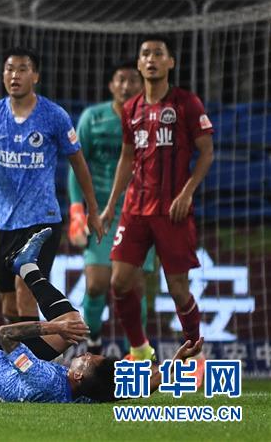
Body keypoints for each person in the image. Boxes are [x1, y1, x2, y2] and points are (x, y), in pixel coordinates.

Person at [0, 155, 204, 403]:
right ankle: (27, 267)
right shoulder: (87, 393)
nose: (84, 354)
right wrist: (175, 364)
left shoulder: (45, 381)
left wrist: (53, 327)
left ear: (80, 375)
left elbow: (5, 335)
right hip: (4, 361)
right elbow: (133, 388)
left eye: (87, 359)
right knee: (74, 325)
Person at [0, 47, 102, 326]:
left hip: (42, 221)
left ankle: (33, 355)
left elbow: (78, 163)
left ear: (36, 76)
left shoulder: (54, 115)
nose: (14, 75)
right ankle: (27, 351)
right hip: (6, 222)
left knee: (25, 290)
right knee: (9, 303)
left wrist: (91, 208)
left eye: (22, 69)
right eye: (9, 69)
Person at [99, 36, 214, 381]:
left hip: (172, 210)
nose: (151, 59)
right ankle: (140, 350)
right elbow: (127, 158)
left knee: (178, 288)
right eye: (145, 54)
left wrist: (187, 193)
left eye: (158, 54)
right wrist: (110, 206)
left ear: (170, 62)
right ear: (139, 64)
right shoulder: (130, 108)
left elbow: (206, 152)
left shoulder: (186, 103)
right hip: (135, 208)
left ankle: (196, 353)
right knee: (119, 282)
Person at [67, 62, 155, 353]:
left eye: (133, 80)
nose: (126, 86)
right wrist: (77, 210)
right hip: (101, 212)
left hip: (140, 212)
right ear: (111, 85)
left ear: (142, 85)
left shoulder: (152, 119)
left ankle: (137, 353)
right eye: (120, 80)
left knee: (134, 285)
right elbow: (77, 165)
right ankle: (93, 342)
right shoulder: (93, 118)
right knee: (96, 283)